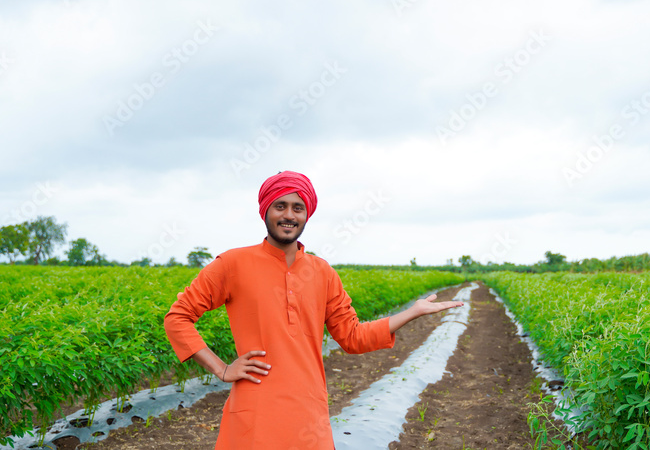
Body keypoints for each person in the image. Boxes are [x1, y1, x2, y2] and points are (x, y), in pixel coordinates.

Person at [163, 170, 463, 449]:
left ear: (307, 214)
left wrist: (412, 312)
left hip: (309, 414)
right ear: (265, 210)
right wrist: (222, 368)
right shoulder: (232, 264)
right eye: (280, 206)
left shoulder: (322, 272)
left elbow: (353, 337)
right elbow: (178, 317)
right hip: (254, 413)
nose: (289, 215)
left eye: (298, 207)